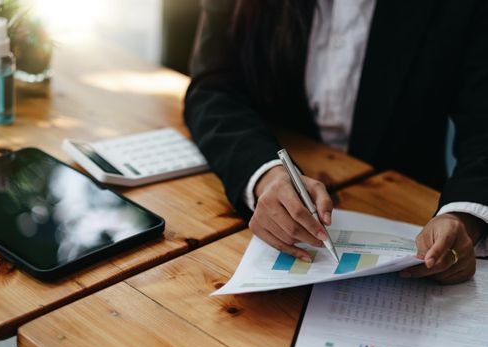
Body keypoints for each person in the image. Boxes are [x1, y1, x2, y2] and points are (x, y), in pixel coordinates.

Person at [184, 0, 488, 284]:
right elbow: (213, 89)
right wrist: (266, 173)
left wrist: (464, 215)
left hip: (411, 213)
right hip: (262, 213)